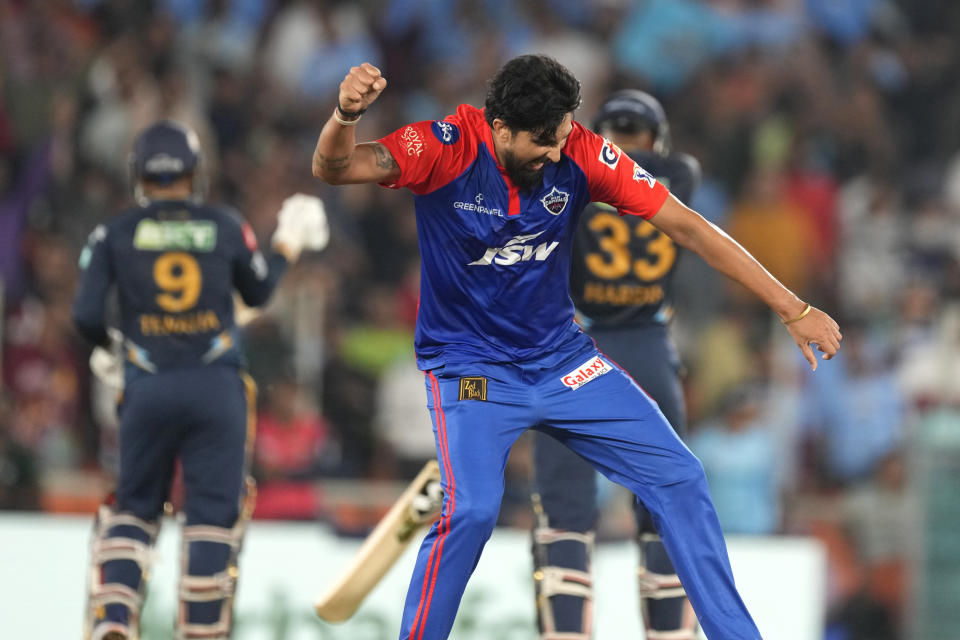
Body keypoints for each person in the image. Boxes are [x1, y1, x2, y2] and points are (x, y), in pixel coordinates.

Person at [311, 56, 841, 640]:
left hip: (564, 363)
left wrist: (794, 307)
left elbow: (688, 226)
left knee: (681, 478)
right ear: (500, 128)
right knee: (472, 511)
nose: (559, 154)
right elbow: (336, 167)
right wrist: (345, 116)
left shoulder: (585, 151)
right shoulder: (443, 145)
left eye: (564, 136)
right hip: (472, 371)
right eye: (544, 142)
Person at [74, 119, 327, 640]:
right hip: (216, 388)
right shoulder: (225, 225)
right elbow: (257, 294)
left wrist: (111, 349)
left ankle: (116, 615)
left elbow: (84, 315)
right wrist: (287, 243)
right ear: (195, 173)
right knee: (211, 518)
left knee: (135, 508)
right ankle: (202, 630)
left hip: (147, 386)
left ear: (138, 175)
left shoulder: (114, 232)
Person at [530, 89, 703, 640]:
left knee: (564, 515)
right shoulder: (680, 175)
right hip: (653, 356)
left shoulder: (574, 170)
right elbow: (669, 168)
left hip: (577, 349)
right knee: (665, 516)